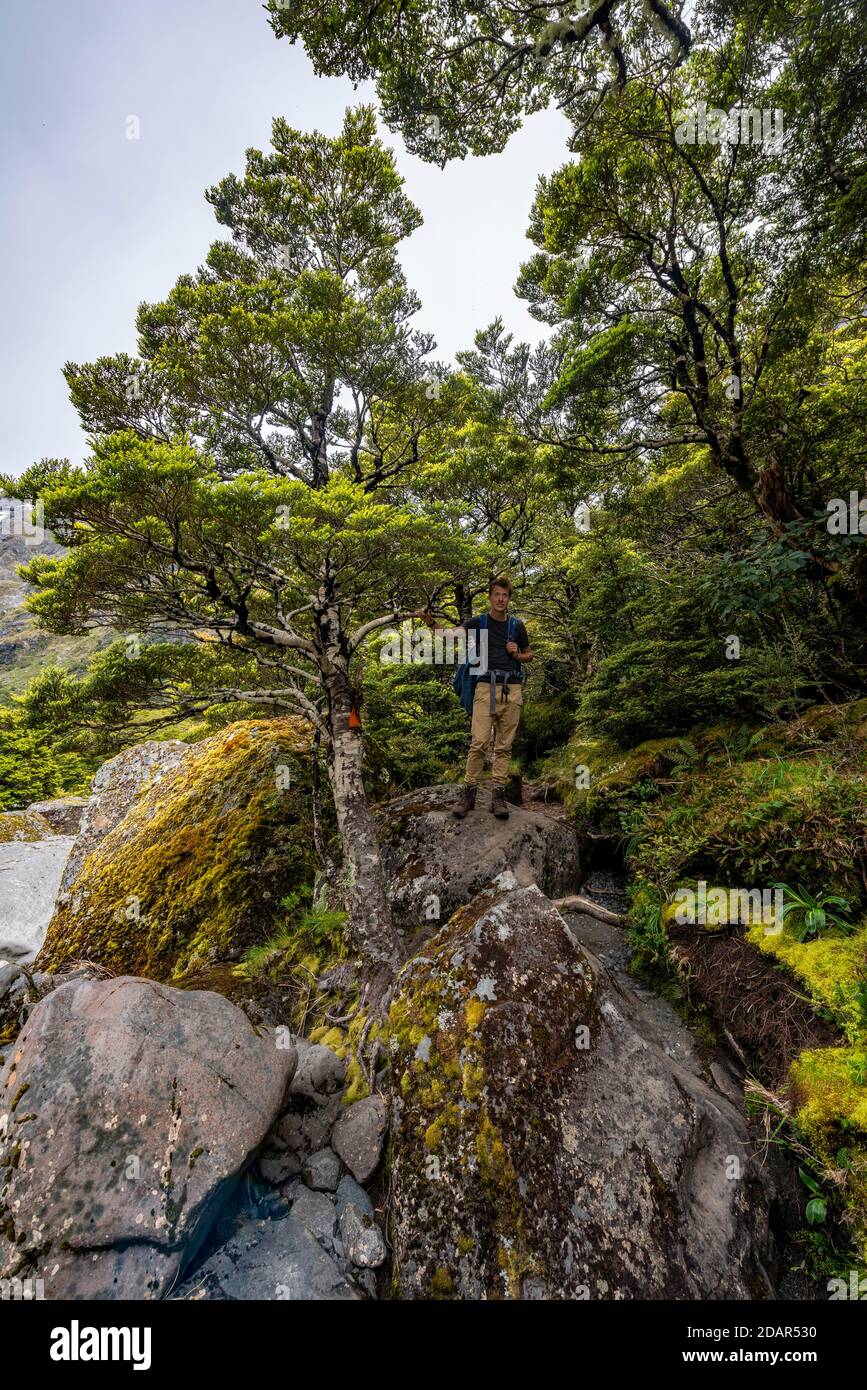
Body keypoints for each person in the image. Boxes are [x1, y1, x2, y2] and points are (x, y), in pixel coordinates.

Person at [417, 576, 534, 819]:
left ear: (509, 598)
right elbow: (450, 635)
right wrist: (431, 623)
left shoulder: (516, 626)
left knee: (504, 746)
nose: (501, 599)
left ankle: (498, 797)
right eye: (497, 595)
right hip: (484, 687)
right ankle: (468, 793)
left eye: (505, 595)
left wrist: (517, 655)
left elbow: (529, 654)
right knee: (479, 742)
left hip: (512, 688)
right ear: (490, 597)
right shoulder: (478, 622)